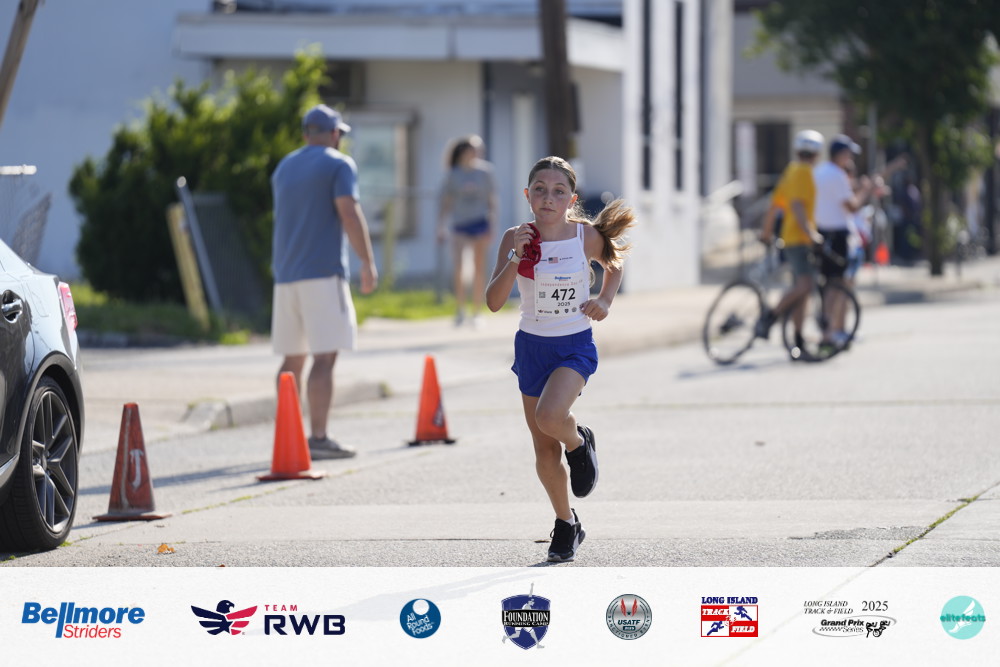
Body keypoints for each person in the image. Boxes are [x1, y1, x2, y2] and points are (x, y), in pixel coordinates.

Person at [485, 156, 635, 562]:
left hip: (573, 345)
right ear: (527, 195)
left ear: (571, 199)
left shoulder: (584, 236)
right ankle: (567, 522)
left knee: (550, 417)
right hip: (531, 347)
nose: (547, 198)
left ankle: (579, 441)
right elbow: (493, 302)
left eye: (557, 192)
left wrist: (605, 299)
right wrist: (515, 256)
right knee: (544, 449)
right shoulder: (515, 237)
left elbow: (614, 265)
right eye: (539, 190)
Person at [270, 104, 378, 459]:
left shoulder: (284, 167)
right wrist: (367, 261)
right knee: (324, 358)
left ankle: (287, 436)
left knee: (291, 361)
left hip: (285, 276)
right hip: (322, 273)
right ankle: (318, 438)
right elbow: (349, 212)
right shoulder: (339, 163)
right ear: (334, 134)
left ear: (306, 134)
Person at [757, 129, 824, 351]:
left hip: (790, 237)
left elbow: (774, 204)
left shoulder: (791, 170)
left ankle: (798, 337)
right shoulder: (804, 172)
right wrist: (811, 233)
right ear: (817, 154)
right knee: (805, 285)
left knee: (801, 291)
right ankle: (771, 316)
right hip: (799, 239)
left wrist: (766, 232)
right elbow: (796, 205)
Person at [812, 134, 873, 349]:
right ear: (841, 154)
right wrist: (866, 190)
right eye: (848, 154)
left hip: (820, 231)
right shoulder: (837, 174)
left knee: (829, 283)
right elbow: (852, 207)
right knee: (837, 284)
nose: (850, 159)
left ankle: (830, 330)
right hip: (837, 233)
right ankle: (830, 331)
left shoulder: (819, 171)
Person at [437, 135, 498, 328]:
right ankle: (460, 309)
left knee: (480, 268)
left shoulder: (486, 172)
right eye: (473, 149)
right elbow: (446, 202)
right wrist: (441, 226)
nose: (477, 153)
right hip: (459, 224)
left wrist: (492, 225)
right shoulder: (453, 174)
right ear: (463, 151)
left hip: (480, 222)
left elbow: (492, 200)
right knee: (459, 268)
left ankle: (477, 311)